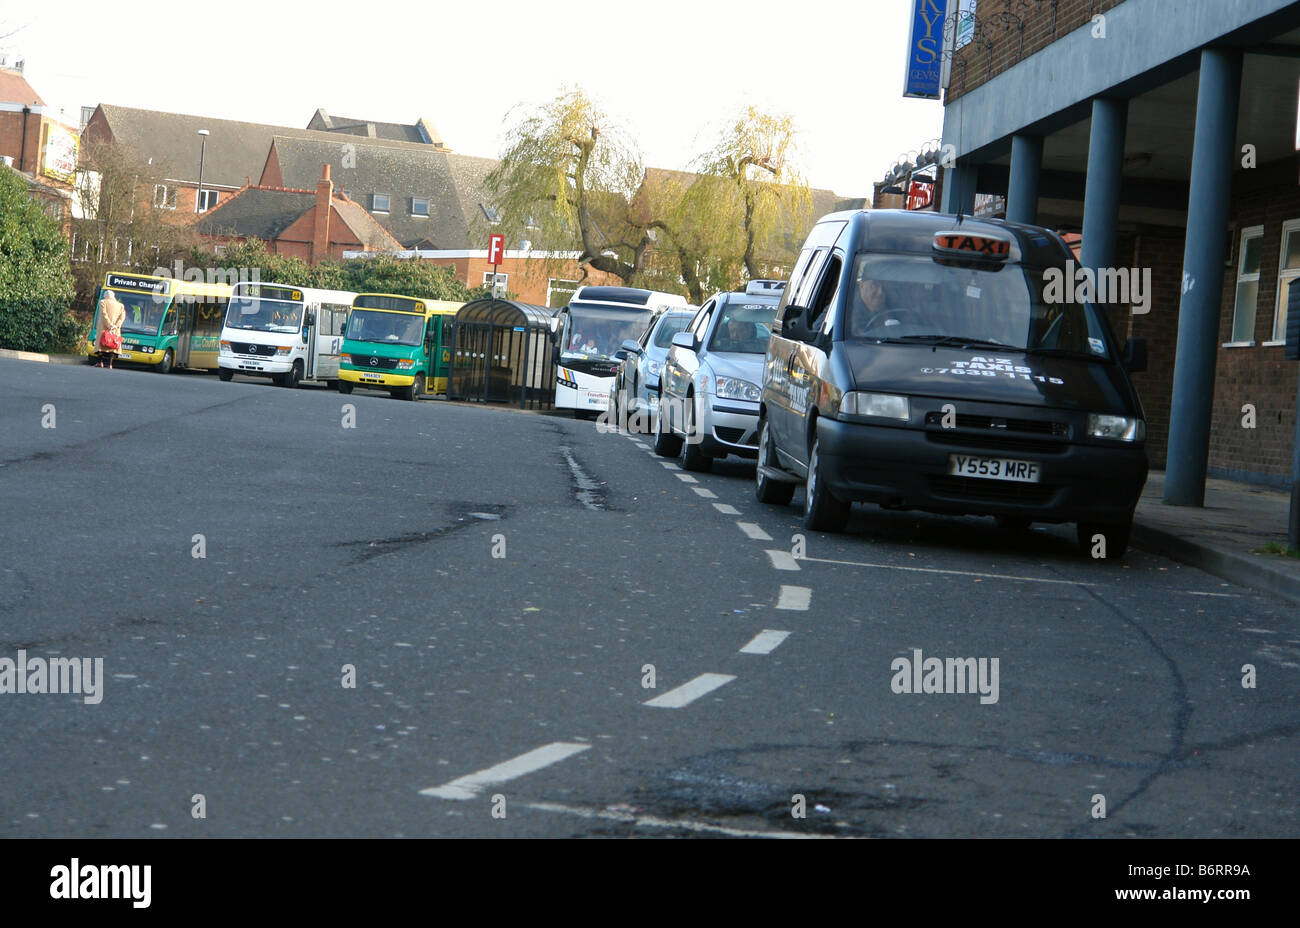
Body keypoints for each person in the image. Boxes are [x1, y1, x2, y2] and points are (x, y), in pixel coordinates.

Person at [96, 290, 126, 368]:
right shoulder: (120, 305)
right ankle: (110, 364)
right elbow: (122, 317)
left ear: (106, 296)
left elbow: (103, 314)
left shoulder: (102, 302)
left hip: (104, 327)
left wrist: (109, 325)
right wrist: (116, 326)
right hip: (115, 329)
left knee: (101, 345)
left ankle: (100, 362)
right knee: (112, 345)